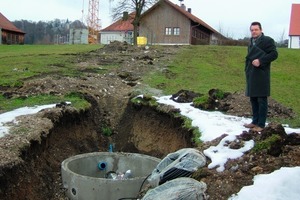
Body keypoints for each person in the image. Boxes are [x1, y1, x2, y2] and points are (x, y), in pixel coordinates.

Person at [243, 22, 278, 132]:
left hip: (261, 73)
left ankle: (261, 124)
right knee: (253, 97)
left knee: (261, 99)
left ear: (261, 30)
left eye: (256, 29)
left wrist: (260, 61)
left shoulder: (267, 40)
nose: (254, 32)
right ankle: (255, 121)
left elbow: (274, 54)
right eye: (252, 30)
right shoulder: (251, 42)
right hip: (251, 73)